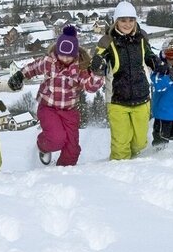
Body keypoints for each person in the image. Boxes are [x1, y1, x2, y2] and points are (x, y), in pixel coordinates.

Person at [8, 25, 104, 166]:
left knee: (72, 150)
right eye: (62, 54)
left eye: (69, 55)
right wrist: (20, 75)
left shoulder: (80, 68)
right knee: (56, 139)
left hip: (70, 111)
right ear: (57, 51)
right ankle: (43, 144)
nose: (65, 58)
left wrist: (96, 73)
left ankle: (61, 174)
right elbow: (33, 68)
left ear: (75, 54)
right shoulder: (49, 62)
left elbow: (90, 86)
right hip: (48, 108)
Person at [91, 0, 161, 160]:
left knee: (140, 144)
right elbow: (98, 58)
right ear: (116, 21)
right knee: (121, 145)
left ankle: (137, 176)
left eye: (131, 20)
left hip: (142, 98)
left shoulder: (141, 38)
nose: (127, 24)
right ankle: (120, 177)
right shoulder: (107, 41)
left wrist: (156, 63)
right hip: (117, 101)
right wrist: (98, 63)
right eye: (123, 20)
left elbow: (149, 55)